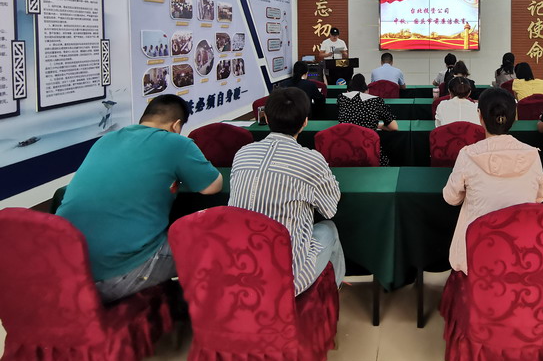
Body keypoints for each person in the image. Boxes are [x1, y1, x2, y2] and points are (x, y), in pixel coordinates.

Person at [57, 95, 222, 303]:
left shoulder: (106, 139)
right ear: (176, 125)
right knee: (213, 245)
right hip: (116, 273)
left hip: (66, 268)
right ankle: (194, 309)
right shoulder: (177, 142)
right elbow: (213, 186)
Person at [228, 87, 345, 295]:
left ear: (266, 118)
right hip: (285, 278)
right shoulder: (311, 160)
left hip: (238, 266)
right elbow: (330, 209)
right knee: (330, 229)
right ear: (305, 122)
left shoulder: (242, 153)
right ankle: (331, 294)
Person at [443, 88, 543, 274]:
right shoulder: (532, 154)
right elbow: (539, 197)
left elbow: (451, 198)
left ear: (479, 116)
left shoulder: (468, 154)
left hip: (476, 252)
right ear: (515, 117)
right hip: (522, 252)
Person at [337, 73, 398, 165]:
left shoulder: (341, 98)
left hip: (344, 151)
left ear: (348, 90)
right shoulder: (376, 100)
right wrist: (378, 125)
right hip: (368, 150)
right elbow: (394, 127)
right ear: (367, 90)